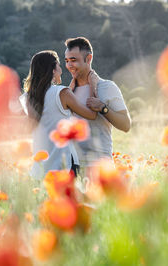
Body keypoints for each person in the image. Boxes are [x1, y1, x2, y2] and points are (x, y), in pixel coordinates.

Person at [21, 50, 98, 179]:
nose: (61, 70)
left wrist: (69, 90)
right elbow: (91, 114)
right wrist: (93, 86)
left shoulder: (27, 98)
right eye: (59, 66)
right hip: (64, 165)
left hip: (39, 170)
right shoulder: (62, 93)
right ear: (52, 70)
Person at [64, 37, 131, 167]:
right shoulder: (68, 92)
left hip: (99, 166)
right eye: (66, 61)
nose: (69, 65)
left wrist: (103, 108)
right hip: (72, 167)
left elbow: (126, 125)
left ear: (88, 59)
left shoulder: (107, 87)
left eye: (73, 60)